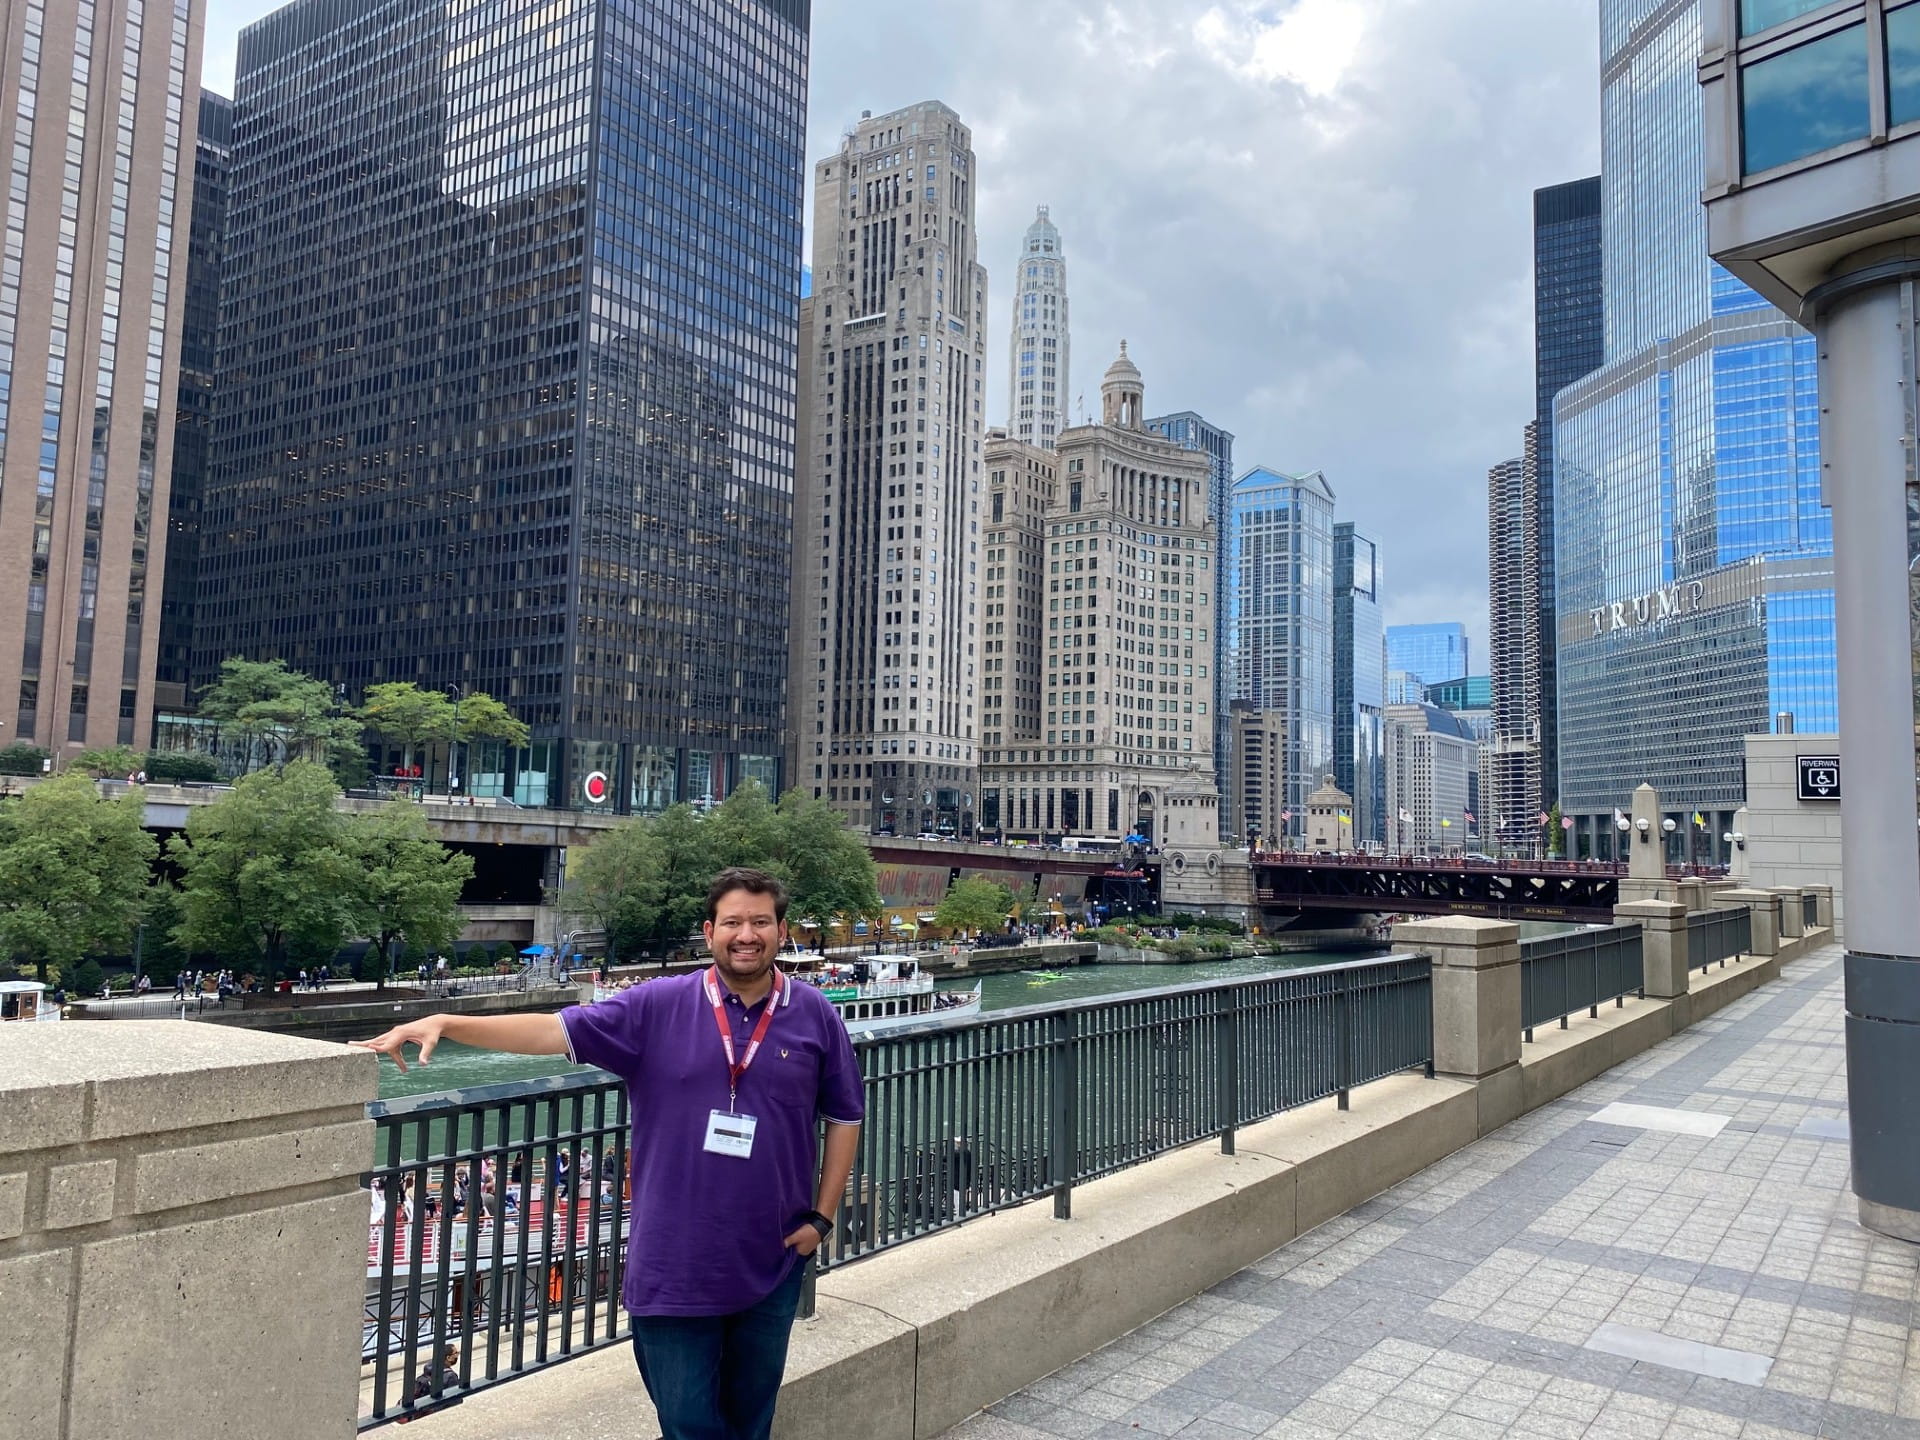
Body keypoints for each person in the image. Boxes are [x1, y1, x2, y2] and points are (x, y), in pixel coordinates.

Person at [353, 867, 864, 1440]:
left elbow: (845, 1114)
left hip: (772, 1258)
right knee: (690, 1424)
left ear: (781, 929)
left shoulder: (815, 1012)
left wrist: (823, 1216)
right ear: (709, 931)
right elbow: (550, 1032)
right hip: (673, 1263)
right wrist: (447, 1023)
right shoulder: (657, 1006)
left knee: (751, 1421)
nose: (746, 934)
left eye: (760, 922)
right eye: (733, 922)